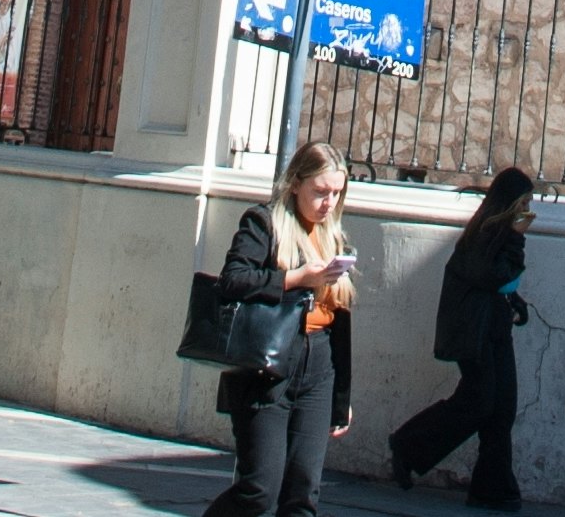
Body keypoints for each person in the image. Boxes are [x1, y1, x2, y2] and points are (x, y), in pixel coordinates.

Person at [204, 140, 357, 517]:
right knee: (259, 490)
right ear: (296, 183)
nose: (329, 203)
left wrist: (341, 397)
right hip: (267, 366)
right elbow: (232, 279)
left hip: (318, 367)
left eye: (337, 193)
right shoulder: (264, 223)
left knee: (303, 493)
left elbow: (339, 319)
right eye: (320, 192)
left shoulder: (332, 235)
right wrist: (296, 278)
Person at [391, 166, 534, 508]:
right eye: (523, 203)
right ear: (509, 205)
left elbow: (502, 284)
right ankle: (408, 445)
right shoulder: (483, 235)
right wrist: (516, 238)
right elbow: (495, 275)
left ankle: (493, 487)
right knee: (479, 401)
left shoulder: (498, 236)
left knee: (502, 407)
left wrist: (516, 303)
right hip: (474, 333)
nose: (528, 210)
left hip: (494, 328)